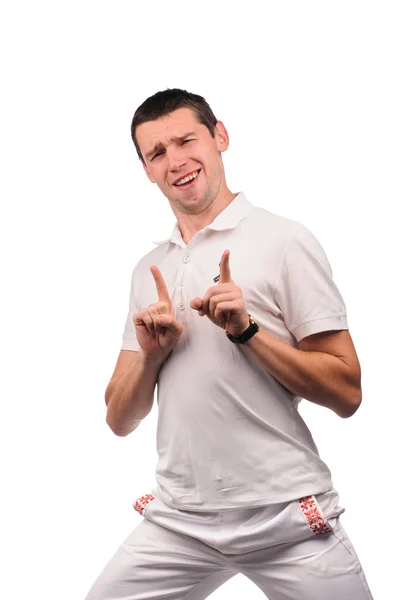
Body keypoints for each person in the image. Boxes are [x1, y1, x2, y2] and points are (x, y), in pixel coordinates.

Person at [85, 88, 374, 599]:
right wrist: (151, 356)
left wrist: (248, 332)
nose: (175, 161)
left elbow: (347, 392)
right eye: (156, 153)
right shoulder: (149, 268)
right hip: (181, 521)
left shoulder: (284, 240)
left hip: (285, 515)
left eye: (186, 140)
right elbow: (118, 419)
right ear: (147, 171)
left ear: (220, 137)